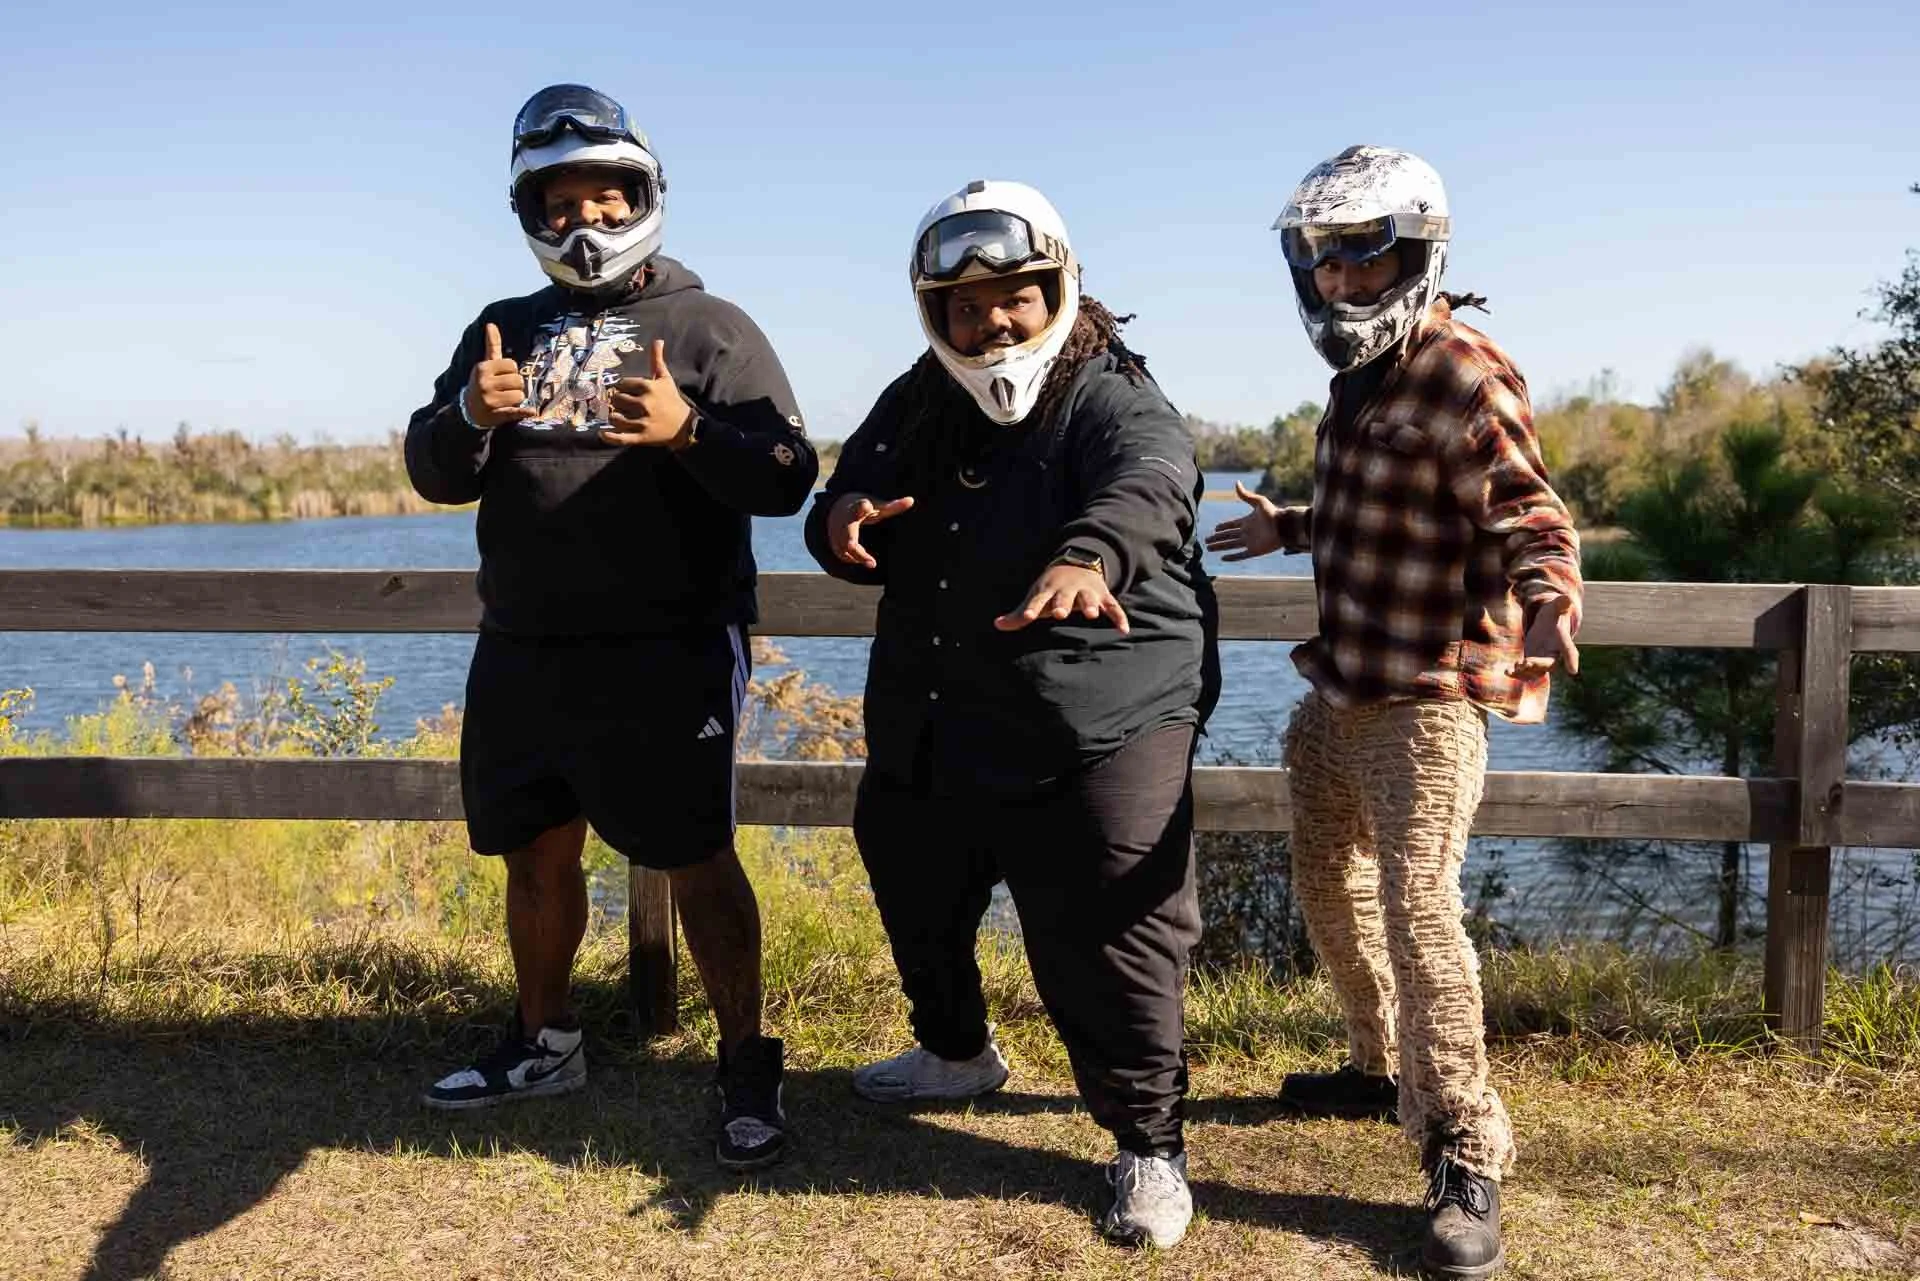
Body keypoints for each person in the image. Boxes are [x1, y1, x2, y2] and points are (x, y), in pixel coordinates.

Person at [403, 84, 818, 1172]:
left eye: (605, 197)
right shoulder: (505, 329)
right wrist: (468, 416)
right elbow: (432, 470)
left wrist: (691, 433)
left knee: (695, 856)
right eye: (561, 202)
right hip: (525, 650)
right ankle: (546, 1043)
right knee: (533, 855)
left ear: (644, 195)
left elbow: (786, 474)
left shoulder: (710, 326)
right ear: (530, 213)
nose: (584, 222)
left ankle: (745, 1063)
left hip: (669, 650)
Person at [804, 180, 1218, 1250]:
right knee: (908, 863)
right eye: (964, 305)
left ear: (1057, 292)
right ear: (934, 316)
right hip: (945, 702)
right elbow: (852, 484)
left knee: (1112, 927)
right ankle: (955, 1053)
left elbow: (1155, 479)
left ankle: (1149, 1147)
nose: (992, 322)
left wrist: (1090, 556)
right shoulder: (919, 395)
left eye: (1015, 299)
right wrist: (840, 516)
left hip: (1106, 713)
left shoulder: (1110, 390)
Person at [1206, 145, 1582, 1280]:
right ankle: (1379, 1070)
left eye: (1365, 254)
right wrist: (1294, 529)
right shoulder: (1360, 380)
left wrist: (1552, 598)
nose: (1341, 278)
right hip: (1342, 683)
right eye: (1323, 257)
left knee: (1419, 904)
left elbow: (1528, 511)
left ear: (1418, 250)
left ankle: (1466, 1149)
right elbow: (1391, 503)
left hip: (1426, 694)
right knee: (1327, 880)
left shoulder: (1465, 369)